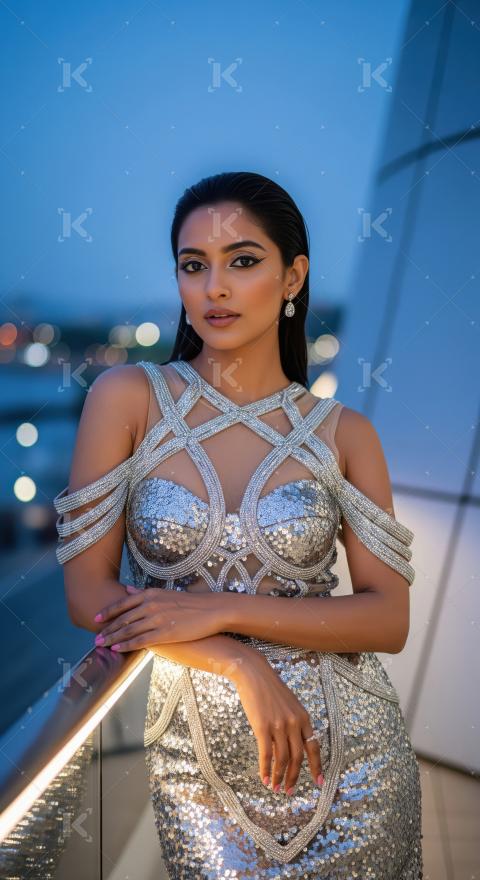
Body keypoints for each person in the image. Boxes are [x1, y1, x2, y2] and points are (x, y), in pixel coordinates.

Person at [53, 171, 423, 878]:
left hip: (351, 762)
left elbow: (389, 619)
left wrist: (213, 608)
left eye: (242, 261)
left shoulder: (344, 433)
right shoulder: (129, 398)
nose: (214, 287)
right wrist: (237, 657)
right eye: (195, 266)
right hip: (198, 767)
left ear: (293, 277)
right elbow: (86, 598)